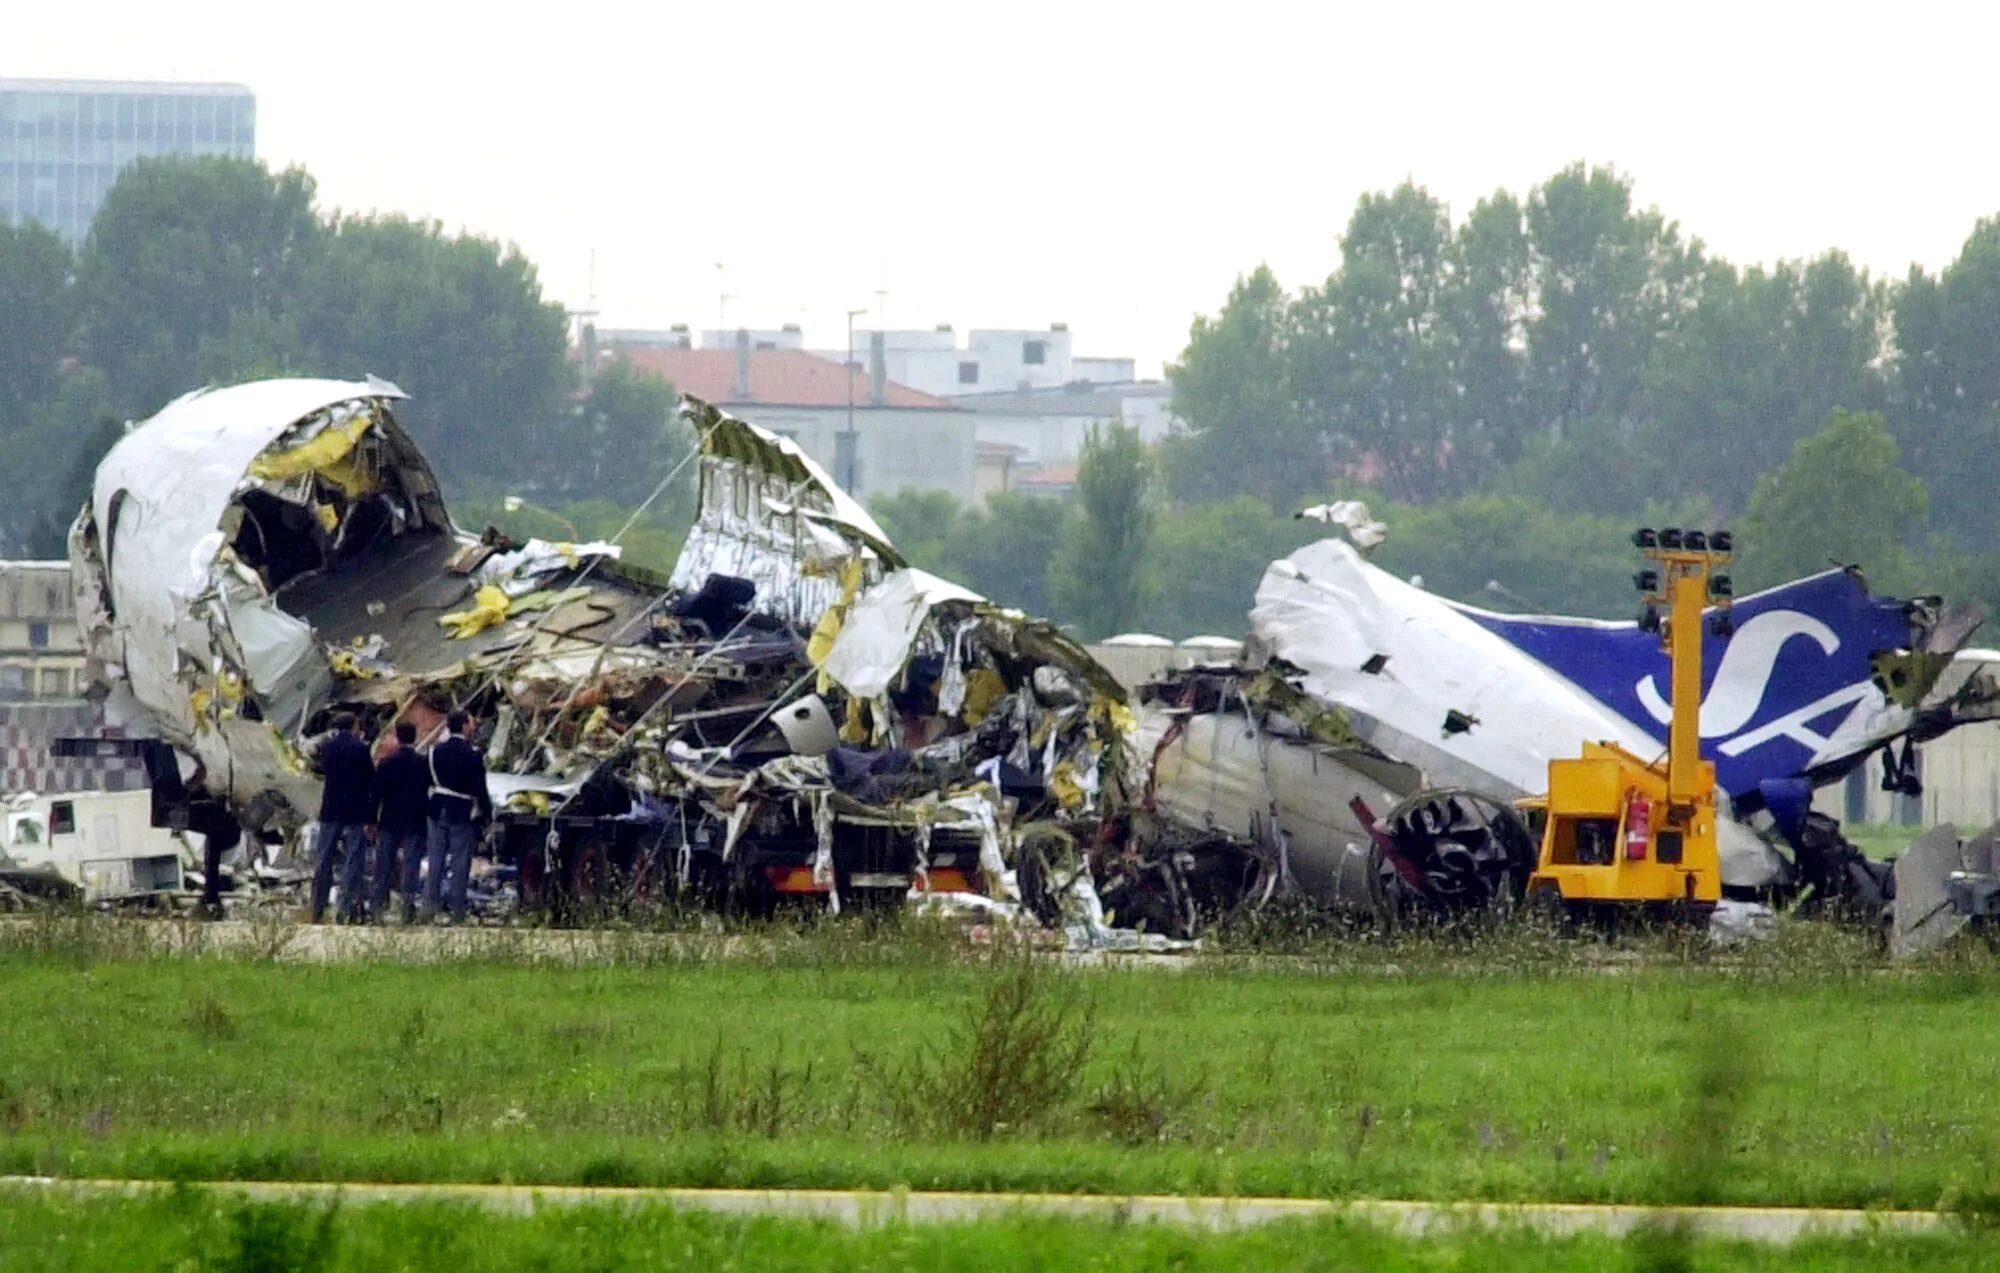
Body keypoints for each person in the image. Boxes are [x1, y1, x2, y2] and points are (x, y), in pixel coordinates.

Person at [422, 710, 493, 924]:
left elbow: (427, 781)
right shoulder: (473, 754)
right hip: (461, 811)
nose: (473, 727)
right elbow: (480, 788)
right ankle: (457, 910)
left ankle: (429, 908)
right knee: (461, 863)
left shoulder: (434, 752)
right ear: (462, 726)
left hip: (436, 809)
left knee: (435, 860)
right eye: (470, 723)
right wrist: (487, 814)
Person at [308, 712, 376, 924]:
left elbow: (318, 770)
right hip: (356, 810)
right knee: (353, 858)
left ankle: (317, 904)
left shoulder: (328, 748)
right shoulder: (361, 749)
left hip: (330, 809)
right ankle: (345, 906)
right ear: (354, 727)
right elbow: (370, 781)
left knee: (323, 858)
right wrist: (372, 815)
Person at [369, 722, 430, 924]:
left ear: (398, 737)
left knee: (383, 865)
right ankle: (407, 908)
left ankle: (377, 907)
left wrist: (371, 820)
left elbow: (376, 795)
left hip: (390, 820)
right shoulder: (423, 763)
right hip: (415, 819)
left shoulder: (387, 763)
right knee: (411, 865)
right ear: (415, 737)